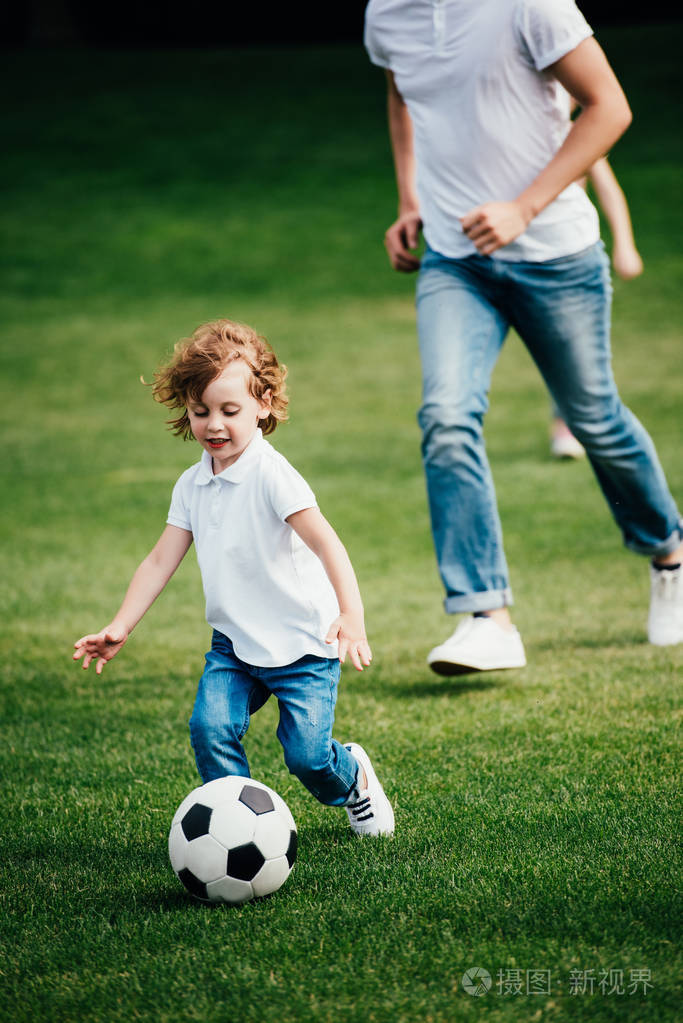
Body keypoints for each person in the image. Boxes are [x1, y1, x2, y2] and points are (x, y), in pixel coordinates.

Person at [364, 0, 683, 672]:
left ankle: (670, 556)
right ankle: (487, 616)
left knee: (594, 421)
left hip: (556, 256)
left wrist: (523, 206)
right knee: (446, 416)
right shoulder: (385, 13)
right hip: (455, 261)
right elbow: (401, 94)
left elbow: (608, 106)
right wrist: (409, 197)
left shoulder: (528, 4)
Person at [73, 319, 394, 837]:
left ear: (263, 405)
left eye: (230, 410)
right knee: (210, 728)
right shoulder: (193, 483)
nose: (214, 425)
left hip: (303, 645)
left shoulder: (273, 475)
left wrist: (351, 616)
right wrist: (120, 625)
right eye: (201, 411)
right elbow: (160, 560)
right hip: (235, 645)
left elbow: (327, 543)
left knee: (307, 757)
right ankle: (237, 829)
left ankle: (352, 777)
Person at [550, 154, 644, 459]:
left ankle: (571, 424)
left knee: (573, 348)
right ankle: (567, 423)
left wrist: (625, 245)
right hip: (521, 258)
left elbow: (609, 190)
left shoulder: (578, 134)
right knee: (557, 349)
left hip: (569, 260)